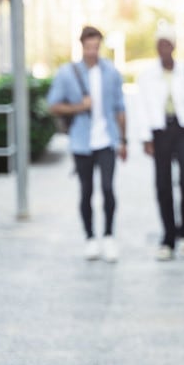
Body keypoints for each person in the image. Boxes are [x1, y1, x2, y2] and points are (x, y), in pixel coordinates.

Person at [47, 25, 128, 262]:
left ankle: (110, 236)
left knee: (108, 188)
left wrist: (123, 140)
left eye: (96, 47)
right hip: (81, 142)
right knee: (86, 191)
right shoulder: (67, 73)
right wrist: (79, 107)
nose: (92, 51)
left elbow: (120, 108)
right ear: (82, 45)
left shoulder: (111, 72)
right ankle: (90, 238)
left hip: (107, 140)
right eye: (88, 46)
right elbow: (53, 105)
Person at [135, 23, 184, 261]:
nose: (164, 49)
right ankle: (168, 237)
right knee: (163, 185)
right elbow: (142, 106)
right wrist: (145, 137)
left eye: (168, 44)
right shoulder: (147, 75)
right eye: (160, 44)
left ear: (174, 46)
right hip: (160, 132)